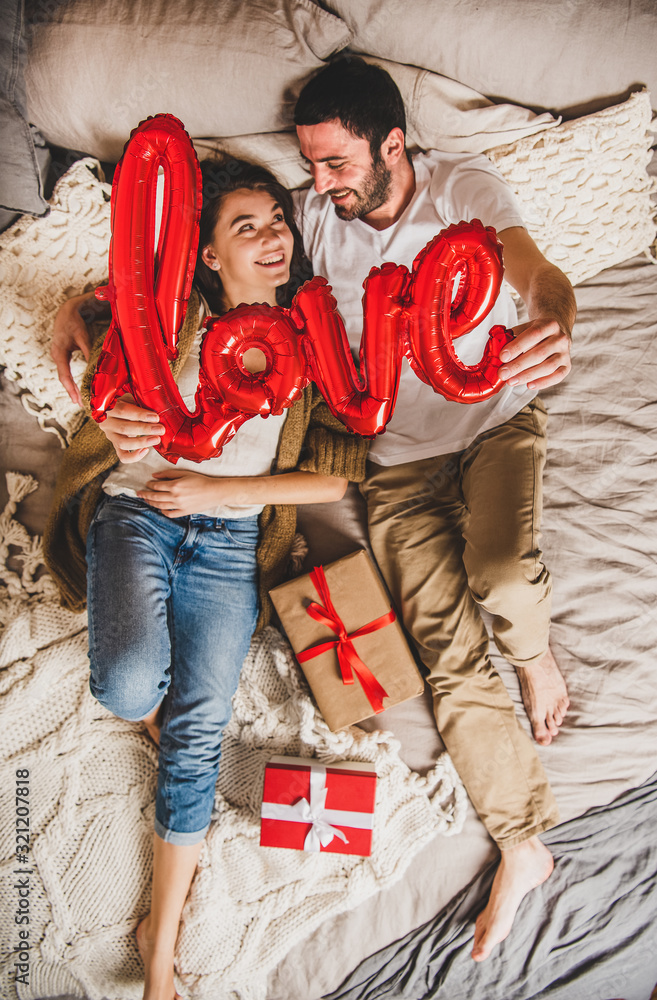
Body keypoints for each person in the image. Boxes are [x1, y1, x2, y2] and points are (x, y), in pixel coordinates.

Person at [44, 158, 368, 1000]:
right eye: (244, 227)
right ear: (210, 259)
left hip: (227, 543)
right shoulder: (168, 317)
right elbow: (84, 327)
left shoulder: (309, 338)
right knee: (123, 686)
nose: (272, 239)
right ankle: (180, 738)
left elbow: (338, 480)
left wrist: (224, 490)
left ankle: (161, 953)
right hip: (136, 513)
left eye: (275, 223)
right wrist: (85, 363)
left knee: (193, 735)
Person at [290, 58, 576, 961]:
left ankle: (533, 657)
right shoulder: (310, 219)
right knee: (445, 658)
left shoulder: (460, 188)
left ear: (392, 145)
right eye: (310, 164)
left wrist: (553, 325)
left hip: (489, 416)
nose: (322, 183)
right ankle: (522, 845)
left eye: (337, 163)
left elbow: (539, 277)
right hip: (396, 465)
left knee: (499, 577)